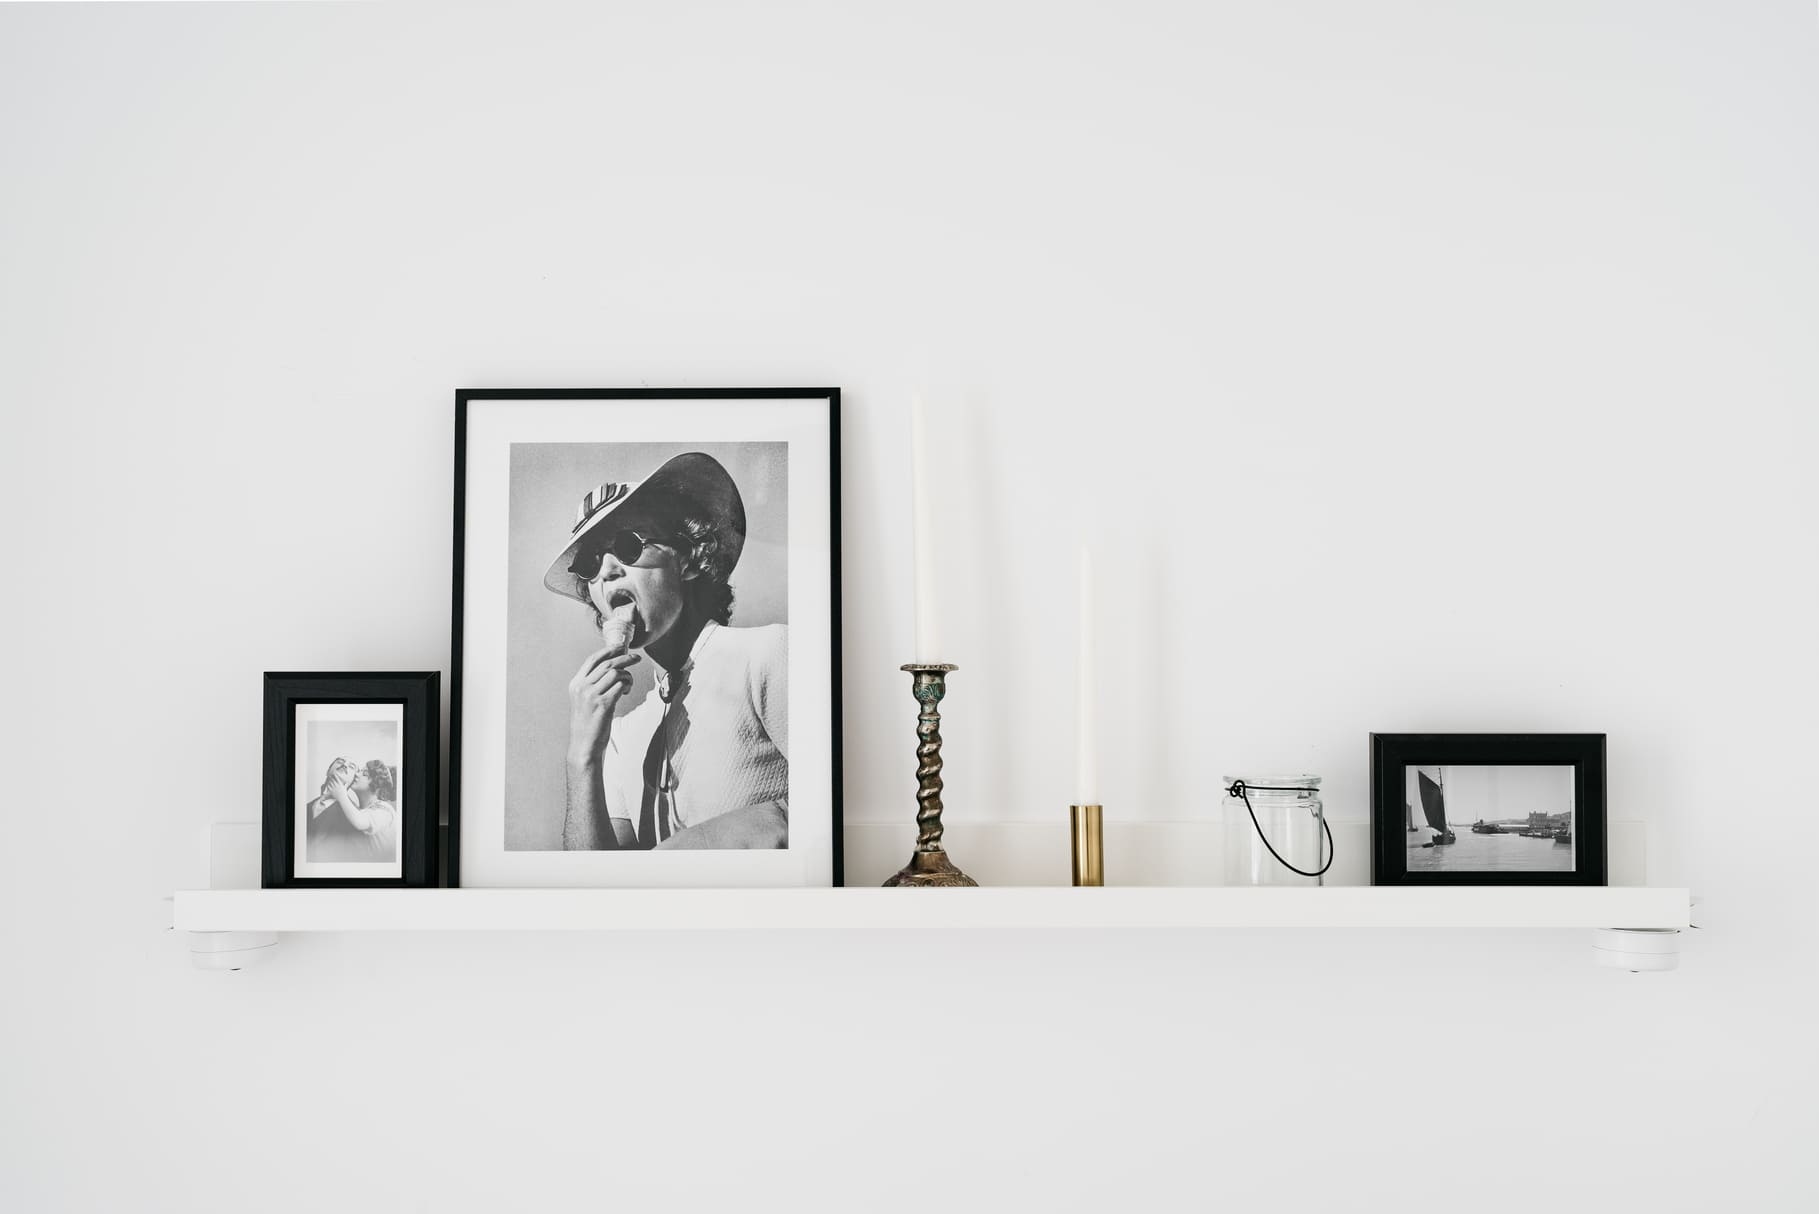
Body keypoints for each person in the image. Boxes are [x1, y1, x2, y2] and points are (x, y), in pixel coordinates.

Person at [542, 451, 788, 851]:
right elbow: (596, 882)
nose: (607, 570)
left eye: (628, 545)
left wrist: (691, 848)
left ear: (689, 559)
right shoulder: (621, 736)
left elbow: (835, 808)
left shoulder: (765, 655)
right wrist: (582, 756)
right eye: (589, 563)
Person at [306, 757, 401, 862]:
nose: (357, 774)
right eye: (359, 771)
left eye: (364, 773)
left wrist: (341, 795)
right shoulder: (354, 810)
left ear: (378, 785)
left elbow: (360, 822)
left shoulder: (385, 810)